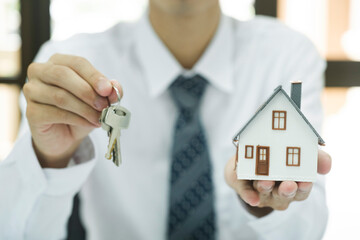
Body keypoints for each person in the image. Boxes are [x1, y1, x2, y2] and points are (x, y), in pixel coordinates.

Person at [0, 0, 332, 239]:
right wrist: (50, 159)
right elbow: (17, 232)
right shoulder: (72, 68)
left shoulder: (287, 54)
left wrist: (262, 201)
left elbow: (308, 229)